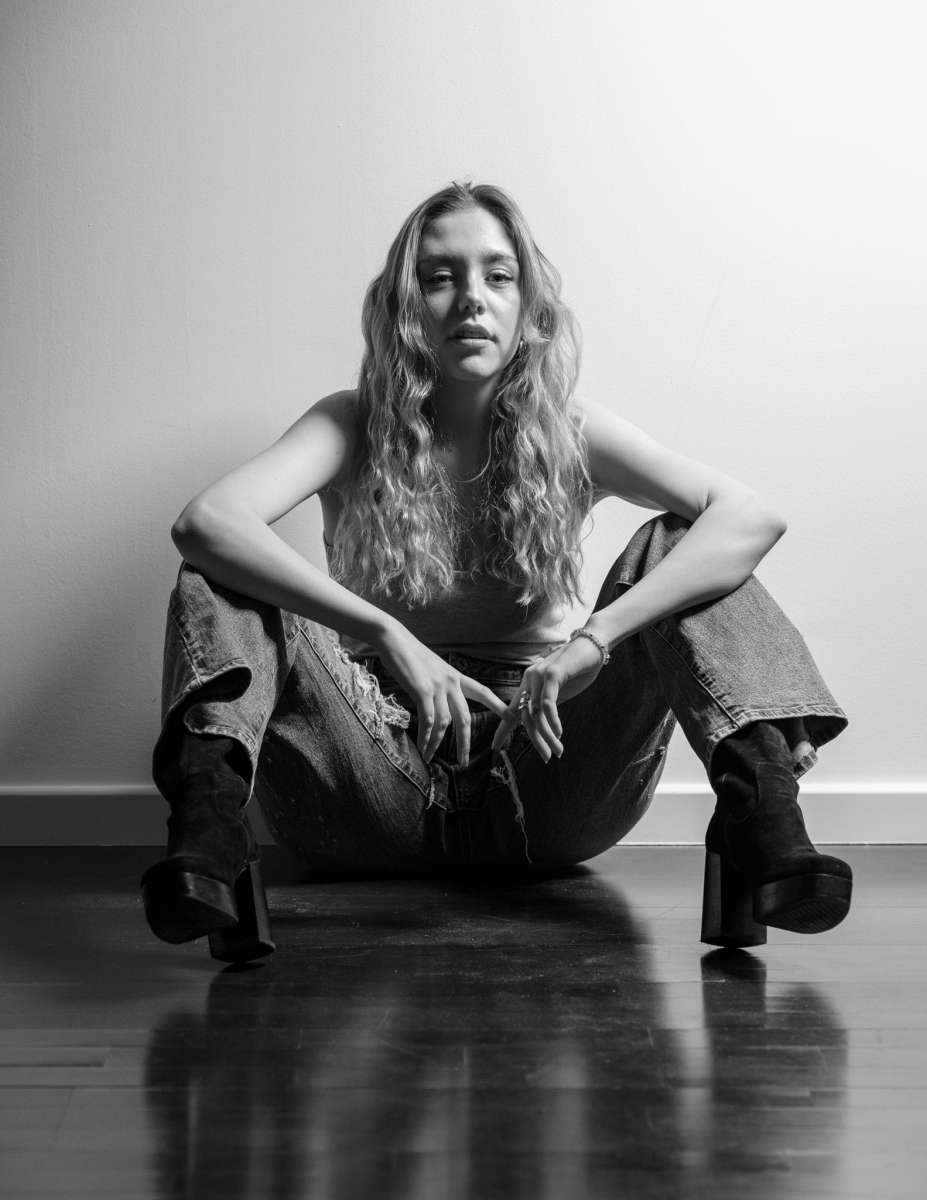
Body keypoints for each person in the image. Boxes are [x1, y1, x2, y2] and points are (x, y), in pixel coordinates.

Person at [141, 181, 851, 963]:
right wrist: (386, 634)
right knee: (226, 567)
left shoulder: (569, 430)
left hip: (546, 781)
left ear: (528, 306)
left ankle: (762, 815)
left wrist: (593, 641)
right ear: (404, 306)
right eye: (439, 277)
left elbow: (749, 515)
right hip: (366, 783)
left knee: (687, 541)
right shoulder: (350, 422)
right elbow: (206, 521)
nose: (471, 299)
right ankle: (208, 833)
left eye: (497, 276)